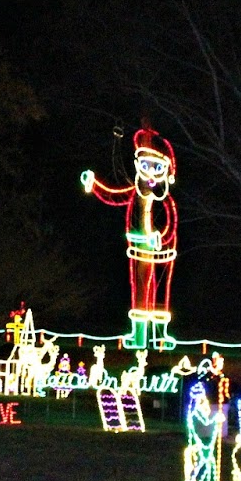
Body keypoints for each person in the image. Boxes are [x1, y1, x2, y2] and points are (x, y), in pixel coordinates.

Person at [82, 127, 178, 350]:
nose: (151, 173)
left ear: (167, 172)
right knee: (140, 291)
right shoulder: (135, 193)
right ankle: (138, 336)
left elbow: (171, 224)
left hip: (162, 252)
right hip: (138, 247)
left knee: (160, 291)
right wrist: (94, 184)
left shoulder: (165, 200)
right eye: (145, 166)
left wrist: (161, 237)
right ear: (137, 167)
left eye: (158, 167)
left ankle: (161, 337)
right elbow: (112, 194)